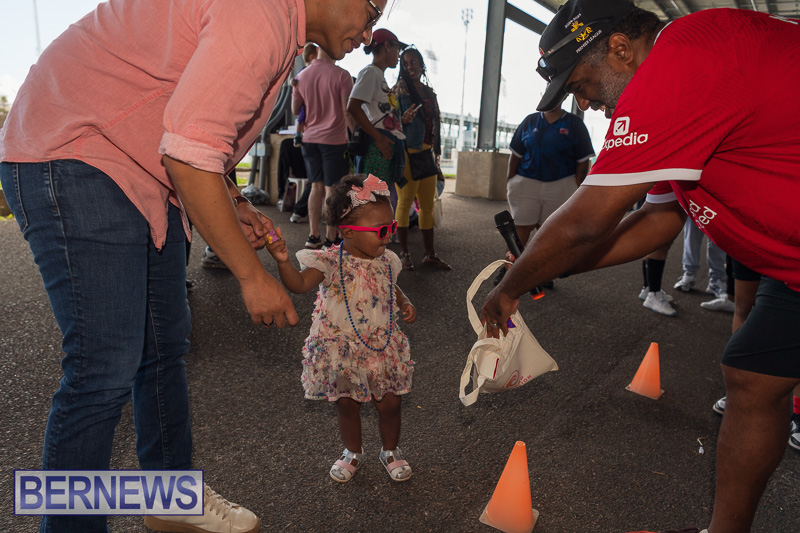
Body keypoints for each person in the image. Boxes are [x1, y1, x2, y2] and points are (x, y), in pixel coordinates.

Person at [0, 0, 386, 531]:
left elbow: (194, 130)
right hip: (75, 152)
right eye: (373, 10)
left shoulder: (283, 30)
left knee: (162, 348)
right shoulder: (261, 14)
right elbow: (188, 153)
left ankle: (168, 502)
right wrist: (251, 278)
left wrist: (232, 201)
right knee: (102, 367)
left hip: (137, 168)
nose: (370, 33)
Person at [481, 2, 800, 532]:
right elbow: (652, 221)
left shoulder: (681, 61)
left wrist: (510, 289)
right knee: (751, 375)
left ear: (620, 49)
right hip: (792, 272)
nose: (581, 102)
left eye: (580, 83)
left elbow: (587, 218)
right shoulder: (681, 91)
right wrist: (549, 270)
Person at [265, 174, 416, 483]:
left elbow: (391, 286)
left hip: (381, 345)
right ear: (348, 231)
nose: (388, 236)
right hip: (343, 350)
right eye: (381, 230)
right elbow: (299, 284)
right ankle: (352, 451)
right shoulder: (330, 262)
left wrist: (404, 302)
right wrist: (282, 263)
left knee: (390, 403)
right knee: (347, 404)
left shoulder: (387, 259)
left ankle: (390, 450)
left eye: (392, 227)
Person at [392, 47, 450, 271]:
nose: (409, 67)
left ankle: (430, 254)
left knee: (427, 206)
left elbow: (435, 123)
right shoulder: (399, 90)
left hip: (426, 153)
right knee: (404, 204)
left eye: (413, 62)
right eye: (405, 63)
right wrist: (402, 120)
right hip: (407, 152)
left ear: (421, 64)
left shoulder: (429, 92)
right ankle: (405, 254)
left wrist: (437, 154)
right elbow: (391, 122)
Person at [292, 46, 355, 249]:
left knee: (315, 187)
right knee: (331, 189)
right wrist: (356, 134)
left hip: (309, 139)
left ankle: (313, 236)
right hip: (334, 140)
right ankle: (330, 237)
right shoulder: (342, 75)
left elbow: (295, 110)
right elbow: (346, 112)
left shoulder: (302, 76)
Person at [347, 29, 415, 211]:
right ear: (387, 46)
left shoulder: (379, 76)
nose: (398, 56)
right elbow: (353, 107)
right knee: (371, 202)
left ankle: (374, 237)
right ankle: (366, 236)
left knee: (378, 200)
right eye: (397, 50)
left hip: (385, 147)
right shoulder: (371, 73)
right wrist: (378, 138)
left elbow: (378, 114)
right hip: (377, 149)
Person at [674, 218, 727, 298]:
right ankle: (689, 274)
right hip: (696, 205)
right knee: (691, 235)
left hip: (718, 207)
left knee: (717, 238)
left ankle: (716, 280)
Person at [292, 43, 319, 147]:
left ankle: (298, 135)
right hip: (306, 101)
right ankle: (297, 136)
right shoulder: (304, 71)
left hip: (309, 100)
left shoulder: (307, 72)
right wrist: (292, 82)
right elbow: (295, 80)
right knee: (302, 117)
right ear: (312, 57)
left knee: (303, 117)